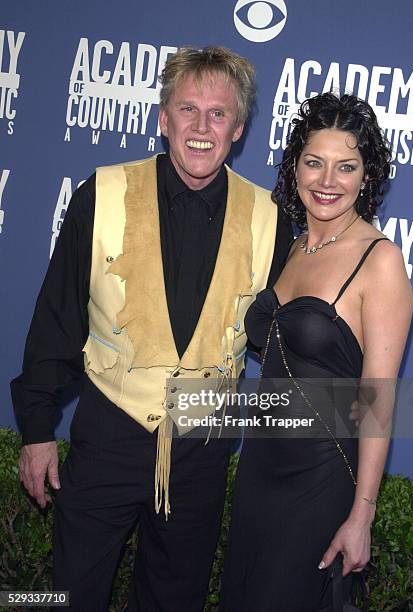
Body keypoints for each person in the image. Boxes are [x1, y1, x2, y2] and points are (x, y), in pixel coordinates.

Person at [10, 47, 293, 611]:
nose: (200, 127)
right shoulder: (103, 193)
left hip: (201, 454)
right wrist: (39, 430)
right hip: (107, 436)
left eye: (218, 114)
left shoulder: (272, 218)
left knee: (174, 599)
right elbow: (56, 318)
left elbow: (281, 342)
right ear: (162, 118)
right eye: (187, 109)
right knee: (69, 594)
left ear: (238, 129)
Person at [220, 92, 413, 611]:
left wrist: (361, 516)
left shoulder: (381, 261)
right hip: (260, 468)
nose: (327, 182)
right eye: (314, 163)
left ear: (367, 176)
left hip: (322, 476)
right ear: (295, 168)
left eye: (345, 167)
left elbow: (379, 398)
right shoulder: (291, 246)